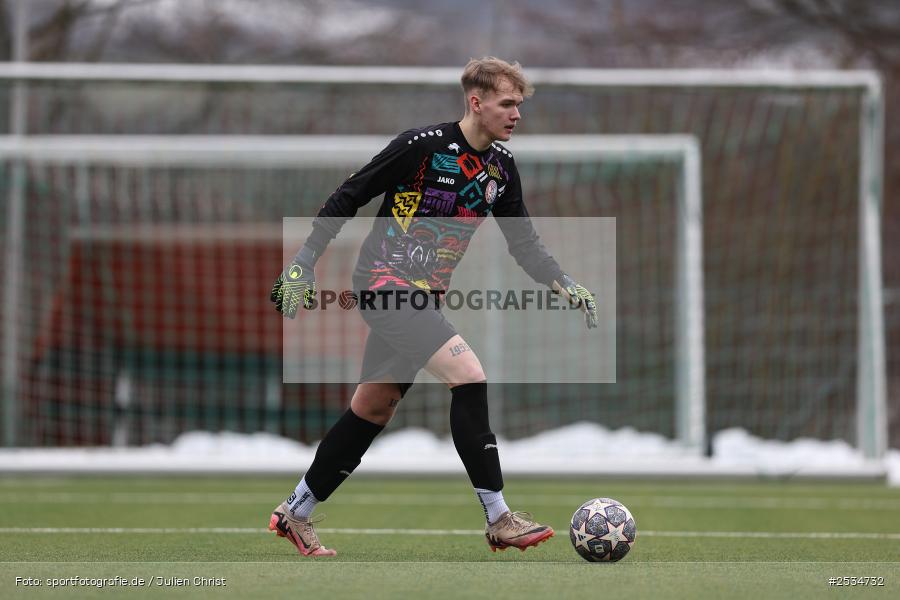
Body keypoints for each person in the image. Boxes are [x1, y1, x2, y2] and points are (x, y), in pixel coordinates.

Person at [269, 57, 598, 557]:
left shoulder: (501, 170)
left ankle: (296, 511)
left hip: (423, 297)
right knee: (468, 373)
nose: (516, 115)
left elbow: (524, 243)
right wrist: (304, 261)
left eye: (519, 105)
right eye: (508, 103)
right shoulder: (420, 148)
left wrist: (563, 281)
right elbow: (349, 195)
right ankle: (499, 517)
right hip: (383, 284)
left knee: (373, 407)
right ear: (477, 102)